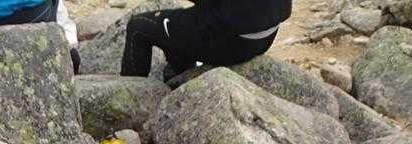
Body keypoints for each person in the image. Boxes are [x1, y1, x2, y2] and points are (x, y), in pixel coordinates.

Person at [120, 0, 292, 80]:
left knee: (139, 26)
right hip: (267, 34)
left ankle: (133, 97)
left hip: (229, 42)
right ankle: (179, 77)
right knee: (179, 21)